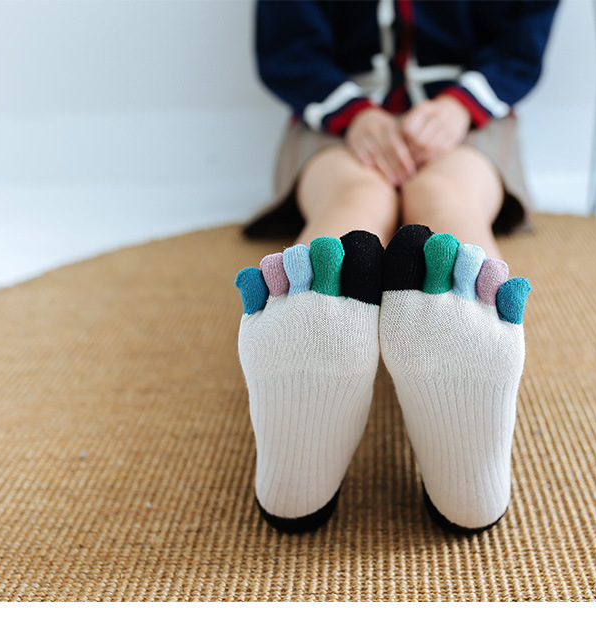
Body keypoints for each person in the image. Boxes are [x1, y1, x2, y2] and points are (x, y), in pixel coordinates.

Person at [235, 0, 559, 534]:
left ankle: (321, 303)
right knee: (398, 198)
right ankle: (447, 329)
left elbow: (520, 39)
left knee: (403, 197)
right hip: (332, 117)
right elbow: (288, 48)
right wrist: (355, 114)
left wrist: (459, 106)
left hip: (470, 116)